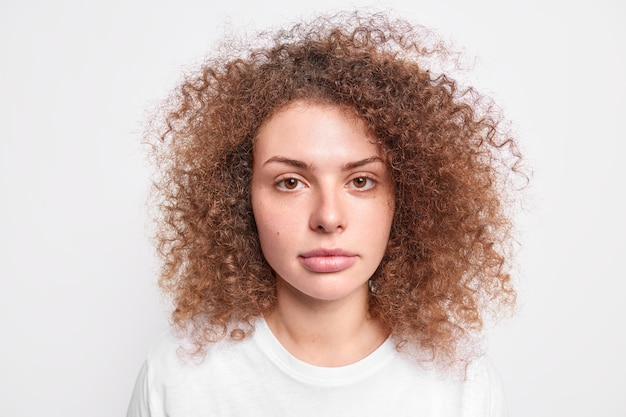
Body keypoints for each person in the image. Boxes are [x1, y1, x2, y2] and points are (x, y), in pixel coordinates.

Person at [127, 10, 524, 417]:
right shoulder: (178, 378)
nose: (328, 217)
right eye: (290, 182)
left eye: (361, 181)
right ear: (238, 196)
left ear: (407, 198)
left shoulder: (460, 383)